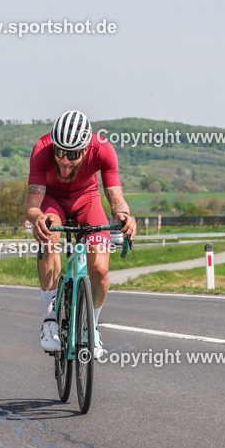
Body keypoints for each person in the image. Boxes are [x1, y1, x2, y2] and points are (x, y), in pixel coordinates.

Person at [25, 110, 136, 357]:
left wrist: (124, 217)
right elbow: (32, 203)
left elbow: (116, 198)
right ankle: (50, 320)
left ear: (86, 149)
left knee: (100, 269)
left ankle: (91, 327)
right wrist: (38, 217)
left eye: (73, 155)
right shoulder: (42, 149)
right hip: (52, 201)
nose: (64, 162)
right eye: (59, 152)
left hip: (87, 200)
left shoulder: (103, 149)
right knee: (50, 233)